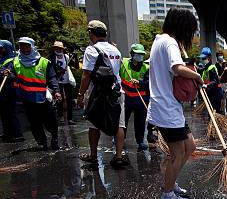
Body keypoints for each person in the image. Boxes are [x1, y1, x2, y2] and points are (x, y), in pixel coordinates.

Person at [147, 8, 201, 199]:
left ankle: (171, 182)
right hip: (166, 109)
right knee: (177, 153)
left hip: (168, 108)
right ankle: (168, 195)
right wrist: (196, 76)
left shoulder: (159, 41)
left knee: (190, 146)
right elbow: (177, 68)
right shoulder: (169, 42)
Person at [76, 20, 127, 168]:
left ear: (91, 33)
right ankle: (118, 157)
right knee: (119, 124)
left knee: (94, 124)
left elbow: (86, 75)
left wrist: (80, 94)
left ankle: (93, 156)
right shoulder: (115, 50)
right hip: (116, 91)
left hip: (97, 94)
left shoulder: (91, 50)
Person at [3, 37, 61, 151]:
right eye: (21, 46)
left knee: (50, 121)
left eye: (26, 45)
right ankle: (43, 143)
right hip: (27, 99)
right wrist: (7, 72)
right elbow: (9, 72)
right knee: (35, 123)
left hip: (43, 97)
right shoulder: (15, 62)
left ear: (32, 47)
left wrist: (57, 91)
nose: (24, 48)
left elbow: (52, 77)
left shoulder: (44, 62)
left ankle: (54, 138)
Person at [120, 43, 153, 151]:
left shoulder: (146, 67)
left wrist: (139, 82)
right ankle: (120, 139)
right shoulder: (123, 63)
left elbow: (149, 83)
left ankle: (140, 141)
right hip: (125, 98)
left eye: (141, 54)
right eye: (138, 54)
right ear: (132, 54)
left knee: (140, 122)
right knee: (123, 121)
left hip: (140, 98)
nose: (140, 56)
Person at [0, 40, 24, 142]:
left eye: (1, 48)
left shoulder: (13, 60)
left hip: (10, 89)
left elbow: (15, 73)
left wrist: (9, 73)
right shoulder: (1, 59)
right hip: (2, 89)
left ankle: (17, 133)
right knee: (3, 112)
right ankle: (7, 133)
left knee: (11, 111)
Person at [50, 41, 75, 125]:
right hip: (58, 80)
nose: (58, 50)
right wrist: (59, 70)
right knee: (59, 99)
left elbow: (73, 65)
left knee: (69, 99)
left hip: (67, 80)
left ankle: (70, 118)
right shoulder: (52, 58)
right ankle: (60, 116)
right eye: (56, 48)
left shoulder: (66, 57)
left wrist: (74, 57)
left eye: (60, 48)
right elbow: (52, 69)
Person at [200, 47, 222, 114]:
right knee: (210, 114)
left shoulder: (212, 68)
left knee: (214, 114)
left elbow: (215, 81)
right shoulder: (205, 69)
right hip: (210, 93)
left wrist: (207, 85)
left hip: (216, 94)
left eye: (204, 58)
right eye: (202, 58)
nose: (203, 59)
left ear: (209, 58)